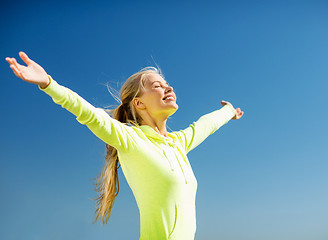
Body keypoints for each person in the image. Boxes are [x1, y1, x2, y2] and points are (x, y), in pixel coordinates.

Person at [6, 51, 244, 240]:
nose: (168, 88)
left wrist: (228, 111)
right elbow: (88, 113)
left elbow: (206, 124)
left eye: (167, 83)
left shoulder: (178, 143)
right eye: (158, 85)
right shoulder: (130, 139)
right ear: (139, 103)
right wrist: (48, 83)